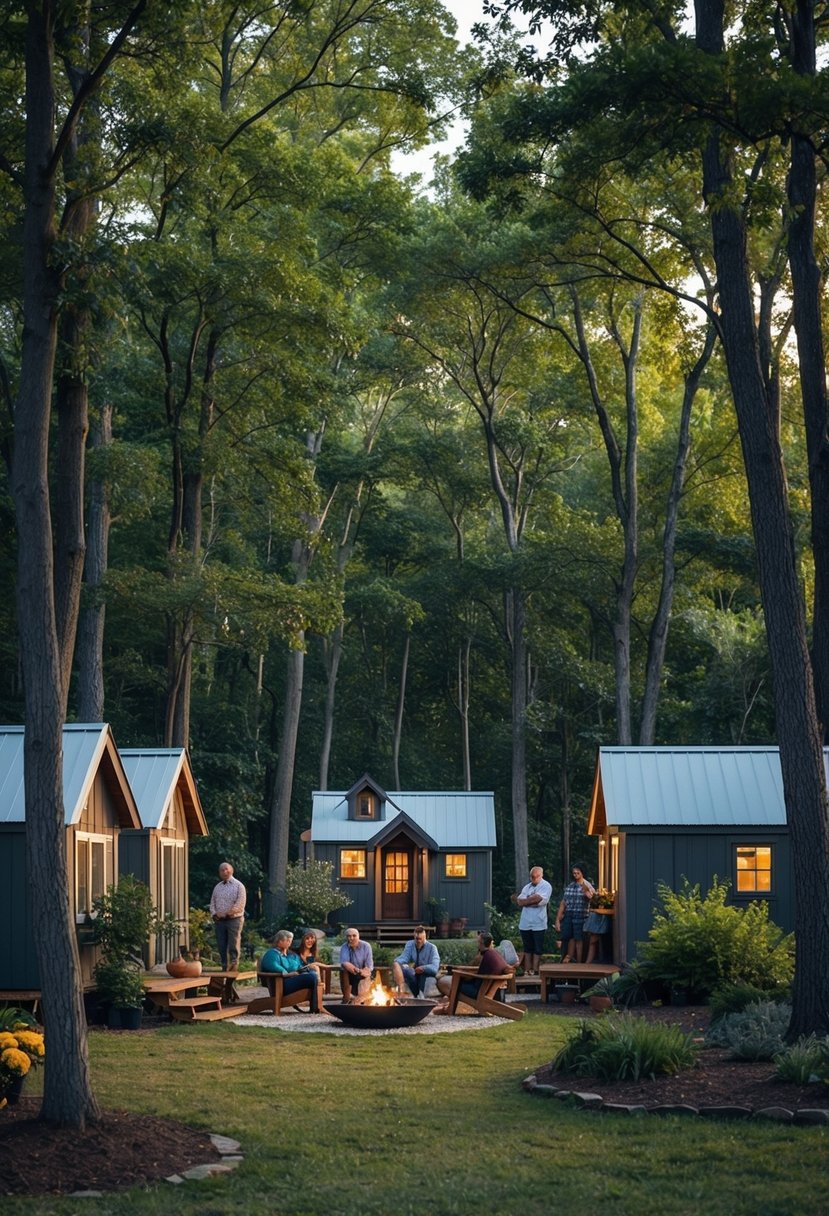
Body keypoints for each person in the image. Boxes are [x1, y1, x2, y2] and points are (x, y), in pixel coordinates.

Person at [435, 932, 511, 1006]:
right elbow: (480, 971)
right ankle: (449, 1002)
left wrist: (458, 974)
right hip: (485, 987)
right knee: (450, 980)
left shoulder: (486, 955)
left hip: (478, 991)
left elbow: (477, 975)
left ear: (481, 942)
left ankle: (452, 1005)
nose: (476, 944)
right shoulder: (493, 954)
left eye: (477, 942)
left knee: (442, 982)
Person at [260, 929, 326, 1013]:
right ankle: (315, 1008)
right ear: (280, 941)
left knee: (312, 974)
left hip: (290, 980)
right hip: (281, 984)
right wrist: (287, 973)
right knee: (311, 977)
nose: (289, 943)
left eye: (290, 941)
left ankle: (315, 1008)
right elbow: (272, 965)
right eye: (287, 940)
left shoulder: (289, 955)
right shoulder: (272, 954)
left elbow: (299, 966)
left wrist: (306, 969)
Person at [511, 865, 553, 976]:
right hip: (525, 922)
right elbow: (519, 901)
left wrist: (527, 902)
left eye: (536, 876)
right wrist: (531, 901)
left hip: (538, 922)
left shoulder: (546, 886)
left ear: (541, 875)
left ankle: (535, 970)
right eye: (532, 877)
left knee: (537, 948)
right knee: (527, 947)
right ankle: (527, 970)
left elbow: (540, 900)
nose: (533, 879)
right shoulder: (527, 887)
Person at [553, 863, 596, 963]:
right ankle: (566, 957)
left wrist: (586, 893)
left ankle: (579, 962)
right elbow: (563, 903)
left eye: (578, 873)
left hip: (580, 915)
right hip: (569, 914)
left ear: (582, 873)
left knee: (578, 939)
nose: (575, 875)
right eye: (574, 873)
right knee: (566, 937)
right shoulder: (570, 886)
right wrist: (558, 920)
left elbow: (593, 899)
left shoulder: (587, 885)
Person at [209, 861, 246, 970]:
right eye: (222, 870)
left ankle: (233, 965)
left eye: (226, 869)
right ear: (219, 873)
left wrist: (226, 913)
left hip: (234, 919)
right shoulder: (217, 887)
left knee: (233, 943)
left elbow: (240, 904)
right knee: (221, 944)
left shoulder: (239, 886)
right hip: (219, 920)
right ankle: (224, 965)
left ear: (231, 870)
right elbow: (212, 903)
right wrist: (215, 913)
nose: (224, 872)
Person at [392, 925, 440, 998]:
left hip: (427, 974)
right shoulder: (410, 944)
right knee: (406, 971)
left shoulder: (432, 948)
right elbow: (404, 957)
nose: (418, 941)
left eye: (420, 939)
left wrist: (423, 968)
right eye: (416, 939)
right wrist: (396, 963)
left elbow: (435, 967)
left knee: (422, 976)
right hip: (415, 972)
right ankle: (401, 992)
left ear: (425, 938)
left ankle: (420, 996)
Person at [339, 927, 374, 1001]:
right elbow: (345, 963)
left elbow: (369, 965)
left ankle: (363, 999)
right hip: (351, 972)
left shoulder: (366, 946)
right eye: (349, 936)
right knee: (343, 969)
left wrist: (363, 972)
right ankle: (346, 999)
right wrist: (357, 970)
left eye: (354, 936)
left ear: (358, 936)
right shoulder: (344, 947)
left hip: (363, 972)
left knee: (367, 974)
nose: (351, 938)